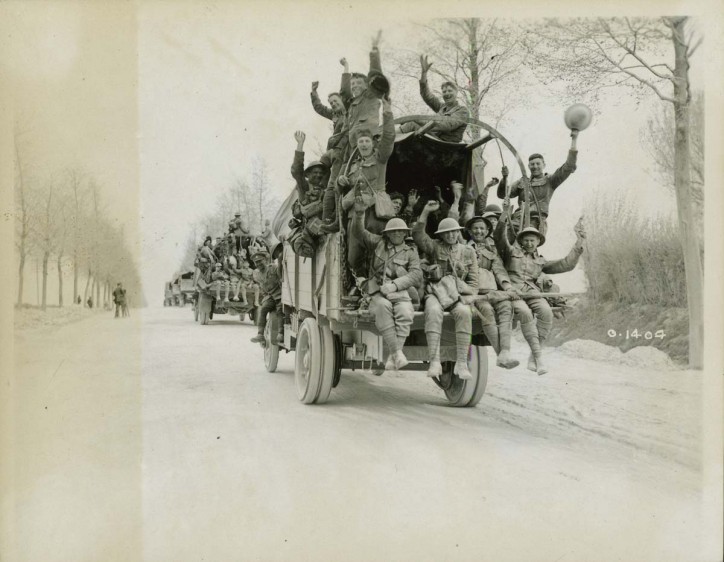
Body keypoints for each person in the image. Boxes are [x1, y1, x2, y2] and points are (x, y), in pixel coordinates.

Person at [498, 206, 586, 375]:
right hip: (513, 292)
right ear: (521, 241)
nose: (529, 243)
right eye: (526, 240)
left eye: (533, 240)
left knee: (546, 312)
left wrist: (579, 241)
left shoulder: (540, 261)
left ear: (538, 242)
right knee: (525, 314)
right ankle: (538, 357)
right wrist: (504, 216)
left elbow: (566, 264)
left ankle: (533, 357)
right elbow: (500, 240)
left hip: (532, 292)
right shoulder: (510, 252)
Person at [351, 196, 423, 371]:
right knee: (383, 307)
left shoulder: (410, 252)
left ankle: (393, 355)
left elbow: (416, 274)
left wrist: (395, 285)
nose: (397, 234)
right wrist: (360, 214)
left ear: (406, 233)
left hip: (401, 293)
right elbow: (359, 233)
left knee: (405, 312)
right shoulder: (378, 243)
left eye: (401, 231)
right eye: (394, 231)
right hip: (377, 292)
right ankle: (398, 353)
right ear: (387, 233)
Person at [412, 201, 478, 380]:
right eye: (447, 232)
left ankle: (462, 363)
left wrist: (468, 296)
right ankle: (434, 361)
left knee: (464, 313)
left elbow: (474, 282)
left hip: (457, 295)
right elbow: (418, 235)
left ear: (459, 232)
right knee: (432, 310)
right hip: (435, 291)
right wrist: (425, 211)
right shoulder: (434, 246)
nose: (451, 235)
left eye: (454, 231)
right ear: (441, 235)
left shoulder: (468, 251)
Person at [339, 96, 396, 274]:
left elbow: (388, 137)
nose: (363, 144)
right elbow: (346, 189)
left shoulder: (380, 160)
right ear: (357, 145)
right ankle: (363, 284)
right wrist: (342, 183)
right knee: (353, 257)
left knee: (379, 253)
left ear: (373, 144)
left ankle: (378, 285)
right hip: (355, 216)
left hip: (376, 214)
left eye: (367, 141)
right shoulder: (353, 166)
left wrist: (387, 112)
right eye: (360, 142)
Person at [496, 130, 579, 239]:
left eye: (538, 164)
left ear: (544, 165)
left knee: (527, 244)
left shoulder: (550, 180)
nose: (535, 166)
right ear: (528, 166)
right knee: (501, 238)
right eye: (532, 164)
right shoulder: (522, 181)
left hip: (535, 222)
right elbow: (503, 194)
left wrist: (574, 141)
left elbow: (568, 166)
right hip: (517, 220)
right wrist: (504, 178)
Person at [465, 216, 519, 369]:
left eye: (482, 228)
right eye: (475, 228)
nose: (479, 231)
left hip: (494, 292)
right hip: (476, 294)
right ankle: (500, 354)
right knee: (487, 312)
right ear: (469, 231)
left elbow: (499, 270)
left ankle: (505, 352)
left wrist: (508, 287)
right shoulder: (464, 249)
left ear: (488, 231)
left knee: (507, 308)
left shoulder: (491, 251)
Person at [311, 58, 352, 229]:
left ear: (342, 100)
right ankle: (329, 218)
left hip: (348, 149)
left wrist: (346, 68)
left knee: (339, 183)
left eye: (336, 101)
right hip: (338, 152)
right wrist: (314, 93)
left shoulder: (350, 109)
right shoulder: (335, 115)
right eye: (332, 103)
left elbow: (345, 89)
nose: (334, 104)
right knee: (333, 184)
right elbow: (319, 108)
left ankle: (334, 217)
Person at [397, 55, 469, 143]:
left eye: (450, 91)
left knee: (412, 123)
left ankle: (386, 139)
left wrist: (416, 119)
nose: (447, 94)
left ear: (456, 92)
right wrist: (424, 73)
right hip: (435, 138)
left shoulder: (462, 111)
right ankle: (387, 139)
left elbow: (446, 125)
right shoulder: (442, 107)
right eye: (444, 91)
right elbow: (427, 96)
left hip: (446, 144)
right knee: (409, 128)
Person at [346, 31, 389, 147]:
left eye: (358, 83)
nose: (354, 86)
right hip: (354, 144)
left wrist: (374, 51)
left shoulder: (370, 94)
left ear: (366, 85)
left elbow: (375, 73)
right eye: (352, 84)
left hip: (370, 141)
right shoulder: (352, 104)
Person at [289, 130, 328, 257]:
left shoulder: (326, 188)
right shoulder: (304, 187)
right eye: (315, 172)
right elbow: (297, 170)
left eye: (321, 173)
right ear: (308, 175)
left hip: (326, 228)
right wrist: (300, 145)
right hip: (309, 231)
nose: (318, 175)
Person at [250, 249, 284, 346]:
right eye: (256, 262)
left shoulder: (273, 268)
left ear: (265, 260)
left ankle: (281, 333)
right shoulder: (257, 273)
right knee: (263, 309)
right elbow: (261, 286)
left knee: (280, 310)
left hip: (280, 294)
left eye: (260, 261)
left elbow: (282, 277)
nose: (258, 264)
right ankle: (260, 334)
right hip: (270, 296)